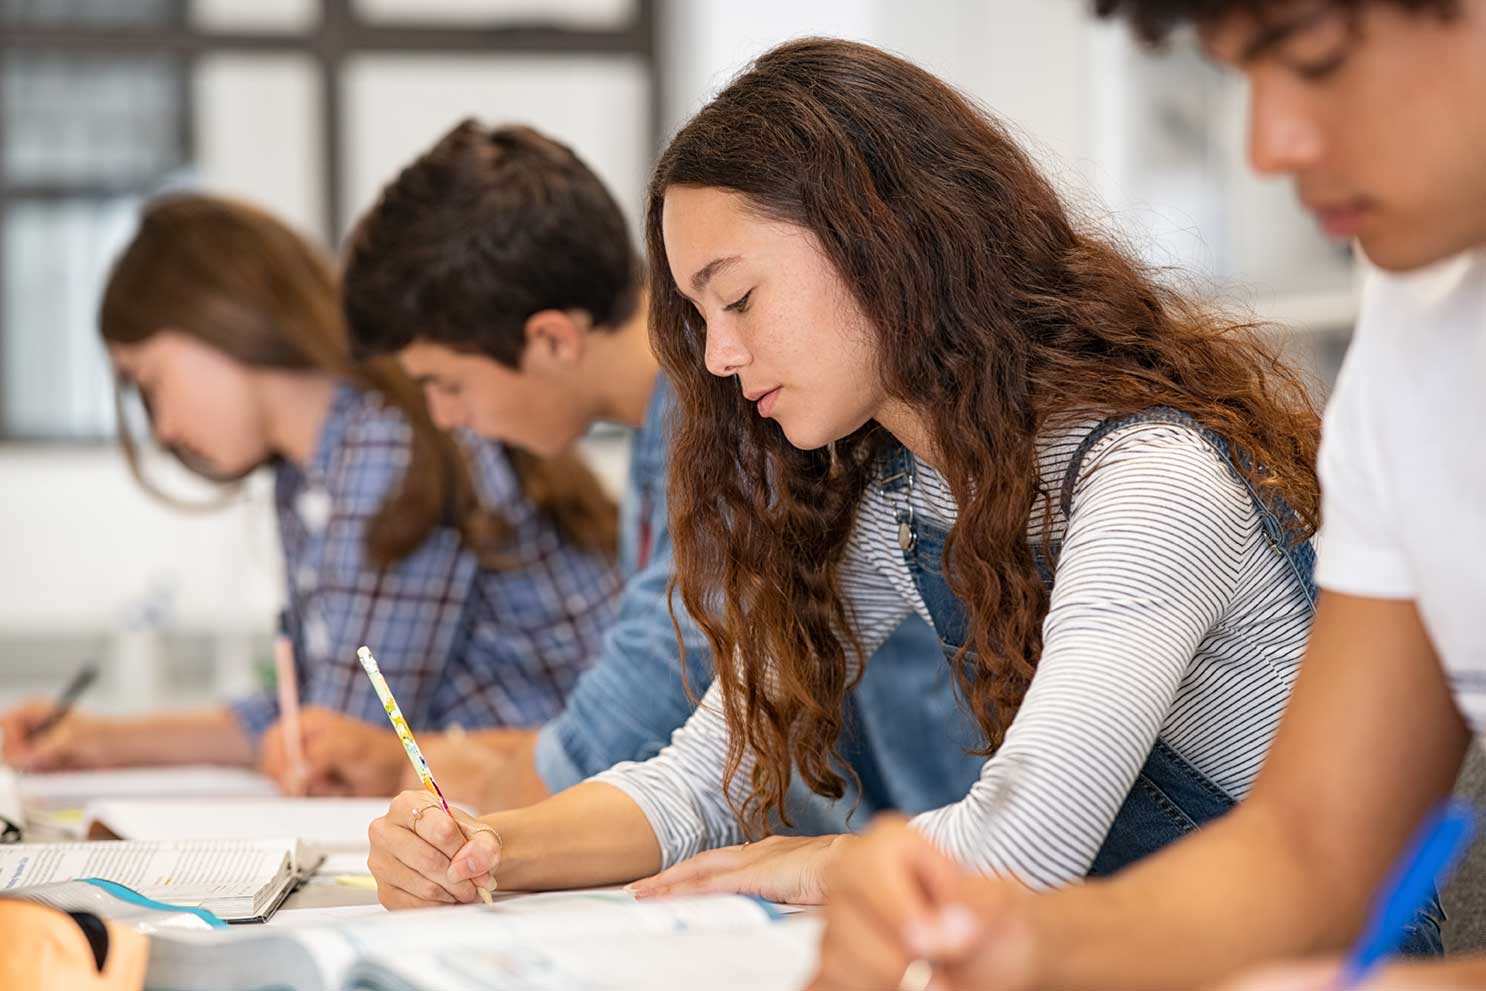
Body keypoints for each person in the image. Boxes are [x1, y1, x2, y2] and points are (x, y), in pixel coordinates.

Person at [359, 41, 1385, 932]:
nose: (716, 356)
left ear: (886, 240)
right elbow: (709, 771)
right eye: (698, 317)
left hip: (1317, 965)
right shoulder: (899, 496)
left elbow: (1020, 847)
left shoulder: (1147, 481)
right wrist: (485, 846)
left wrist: (816, 861)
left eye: (739, 299)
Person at [808, 2, 1486, 988]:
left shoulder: (1151, 473)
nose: (1268, 147)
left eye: (1315, 58)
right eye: (1239, 76)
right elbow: (1308, 845)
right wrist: (1018, 942)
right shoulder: (1419, 332)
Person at [334, 119, 984, 823]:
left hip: (919, 856)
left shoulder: (732, 422)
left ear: (552, 338)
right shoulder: (666, 427)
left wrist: (488, 800)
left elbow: (644, 701)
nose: (444, 416)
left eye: (446, 383)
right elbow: (671, 728)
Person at [0, 193, 621, 795]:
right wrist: (100, 741)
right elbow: (315, 710)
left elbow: (343, 740)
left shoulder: (387, 448)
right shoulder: (310, 472)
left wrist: (118, 743)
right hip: (512, 785)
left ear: (222, 318)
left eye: (152, 381)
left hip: (573, 788)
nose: (163, 428)